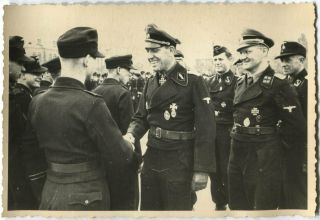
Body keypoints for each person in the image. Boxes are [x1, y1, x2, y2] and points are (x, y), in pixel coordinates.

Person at [22, 27, 134, 210]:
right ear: (86, 60)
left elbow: (30, 154)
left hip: (50, 193)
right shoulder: (91, 104)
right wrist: (128, 142)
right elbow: (121, 157)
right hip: (87, 198)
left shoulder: (37, 101)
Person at [125, 24, 216, 210]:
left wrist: (201, 169)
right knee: (150, 210)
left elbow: (206, 128)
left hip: (179, 160)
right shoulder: (150, 82)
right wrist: (130, 134)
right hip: (153, 156)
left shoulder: (193, 81)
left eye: (155, 50)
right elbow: (141, 117)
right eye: (147, 50)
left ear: (172, 50)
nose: (150, 55)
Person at [228, 29, 306, 210]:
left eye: (247, 51)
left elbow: (297, 127)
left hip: (264, 158)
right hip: (237, 154)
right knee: (237, 208)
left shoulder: (279, 83)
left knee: (262, 211)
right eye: (241, 52)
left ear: (264, 51)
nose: (243, 56)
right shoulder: (240, 82)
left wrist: (273, 149)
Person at [93, 54, 141, 210]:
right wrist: (137, 159)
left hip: (101, 161)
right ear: (119, 70)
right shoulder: (122, 93)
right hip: (123, 160)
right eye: (128, 70)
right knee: (127, 204)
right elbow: (130, 130)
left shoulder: (94, 91)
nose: (130, 74)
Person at [9, 54, 47, 210]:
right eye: (35, 74)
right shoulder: (21, 99)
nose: (40, 76)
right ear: (22, 75)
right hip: (22, 166)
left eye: (41, 74)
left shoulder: (26, 96)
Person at [275, 41, 308, 209]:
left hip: (299, 149)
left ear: (301, 60)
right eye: (281, 60)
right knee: (283, 192)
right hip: (283, 146)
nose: (283, 63)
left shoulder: (308, 84)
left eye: (288, 59)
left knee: (297, 194)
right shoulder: (286, 82)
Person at [205, 45, 237, 210]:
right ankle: (219, 202)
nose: (217, 62)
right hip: (212, 131)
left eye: (221, 59)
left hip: (228, 131)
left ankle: (233, 202)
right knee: (214, 168)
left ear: (229, 60)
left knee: (228, 168)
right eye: (215, 59)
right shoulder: (208, 81)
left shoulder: (237, 82)